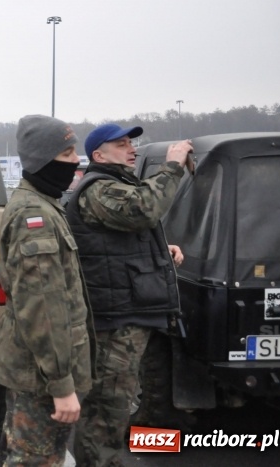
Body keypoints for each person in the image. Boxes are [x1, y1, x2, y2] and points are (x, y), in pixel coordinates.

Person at [66, 124, 191, 466]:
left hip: (124, 311)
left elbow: (114, 242)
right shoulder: (100, 187)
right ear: (98, 155)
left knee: (112, 406)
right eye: (121, 144)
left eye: (131, 143)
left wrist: (160, 251)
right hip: (116, 317)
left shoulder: (116, 185)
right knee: (108, 407)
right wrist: (173, 165)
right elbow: (144, 209)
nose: (131, 149)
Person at [0, 115, 96, 466]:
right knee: (36, 459)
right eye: (67, 152)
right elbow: (43, 308)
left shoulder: (45, 204)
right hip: (41, 376)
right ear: (42, 159)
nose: (75, 161)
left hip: (39, 372)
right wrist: (61, 385)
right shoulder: (33, 215)